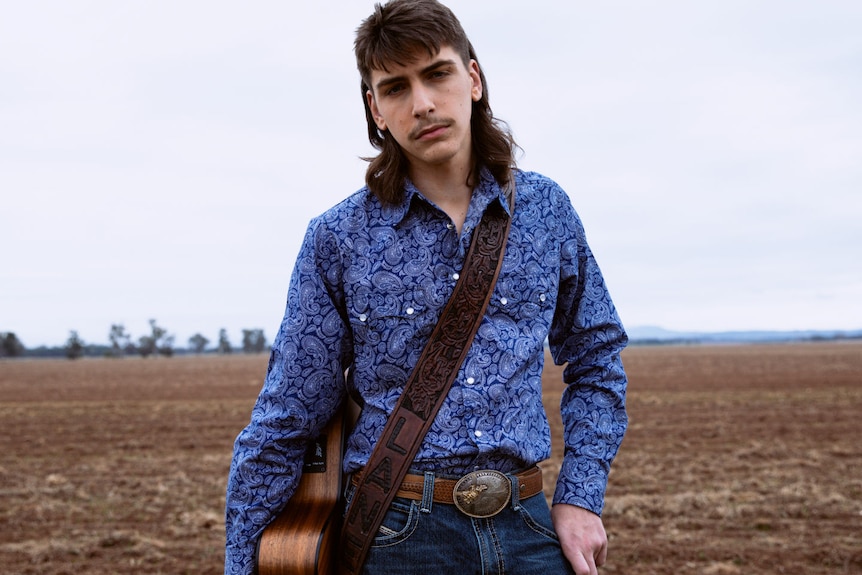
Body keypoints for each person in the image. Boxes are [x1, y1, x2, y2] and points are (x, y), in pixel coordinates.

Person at [225, 1, 628, 574]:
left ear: (474, 77)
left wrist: (580, 497)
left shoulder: (546, 211)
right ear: (376, 110)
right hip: (399, 536)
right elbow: (288, 416)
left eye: (437, 74)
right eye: (395, 88)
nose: (422, 104)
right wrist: (242, 565)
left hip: (532, 529)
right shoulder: (337, 237)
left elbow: (597, 358)